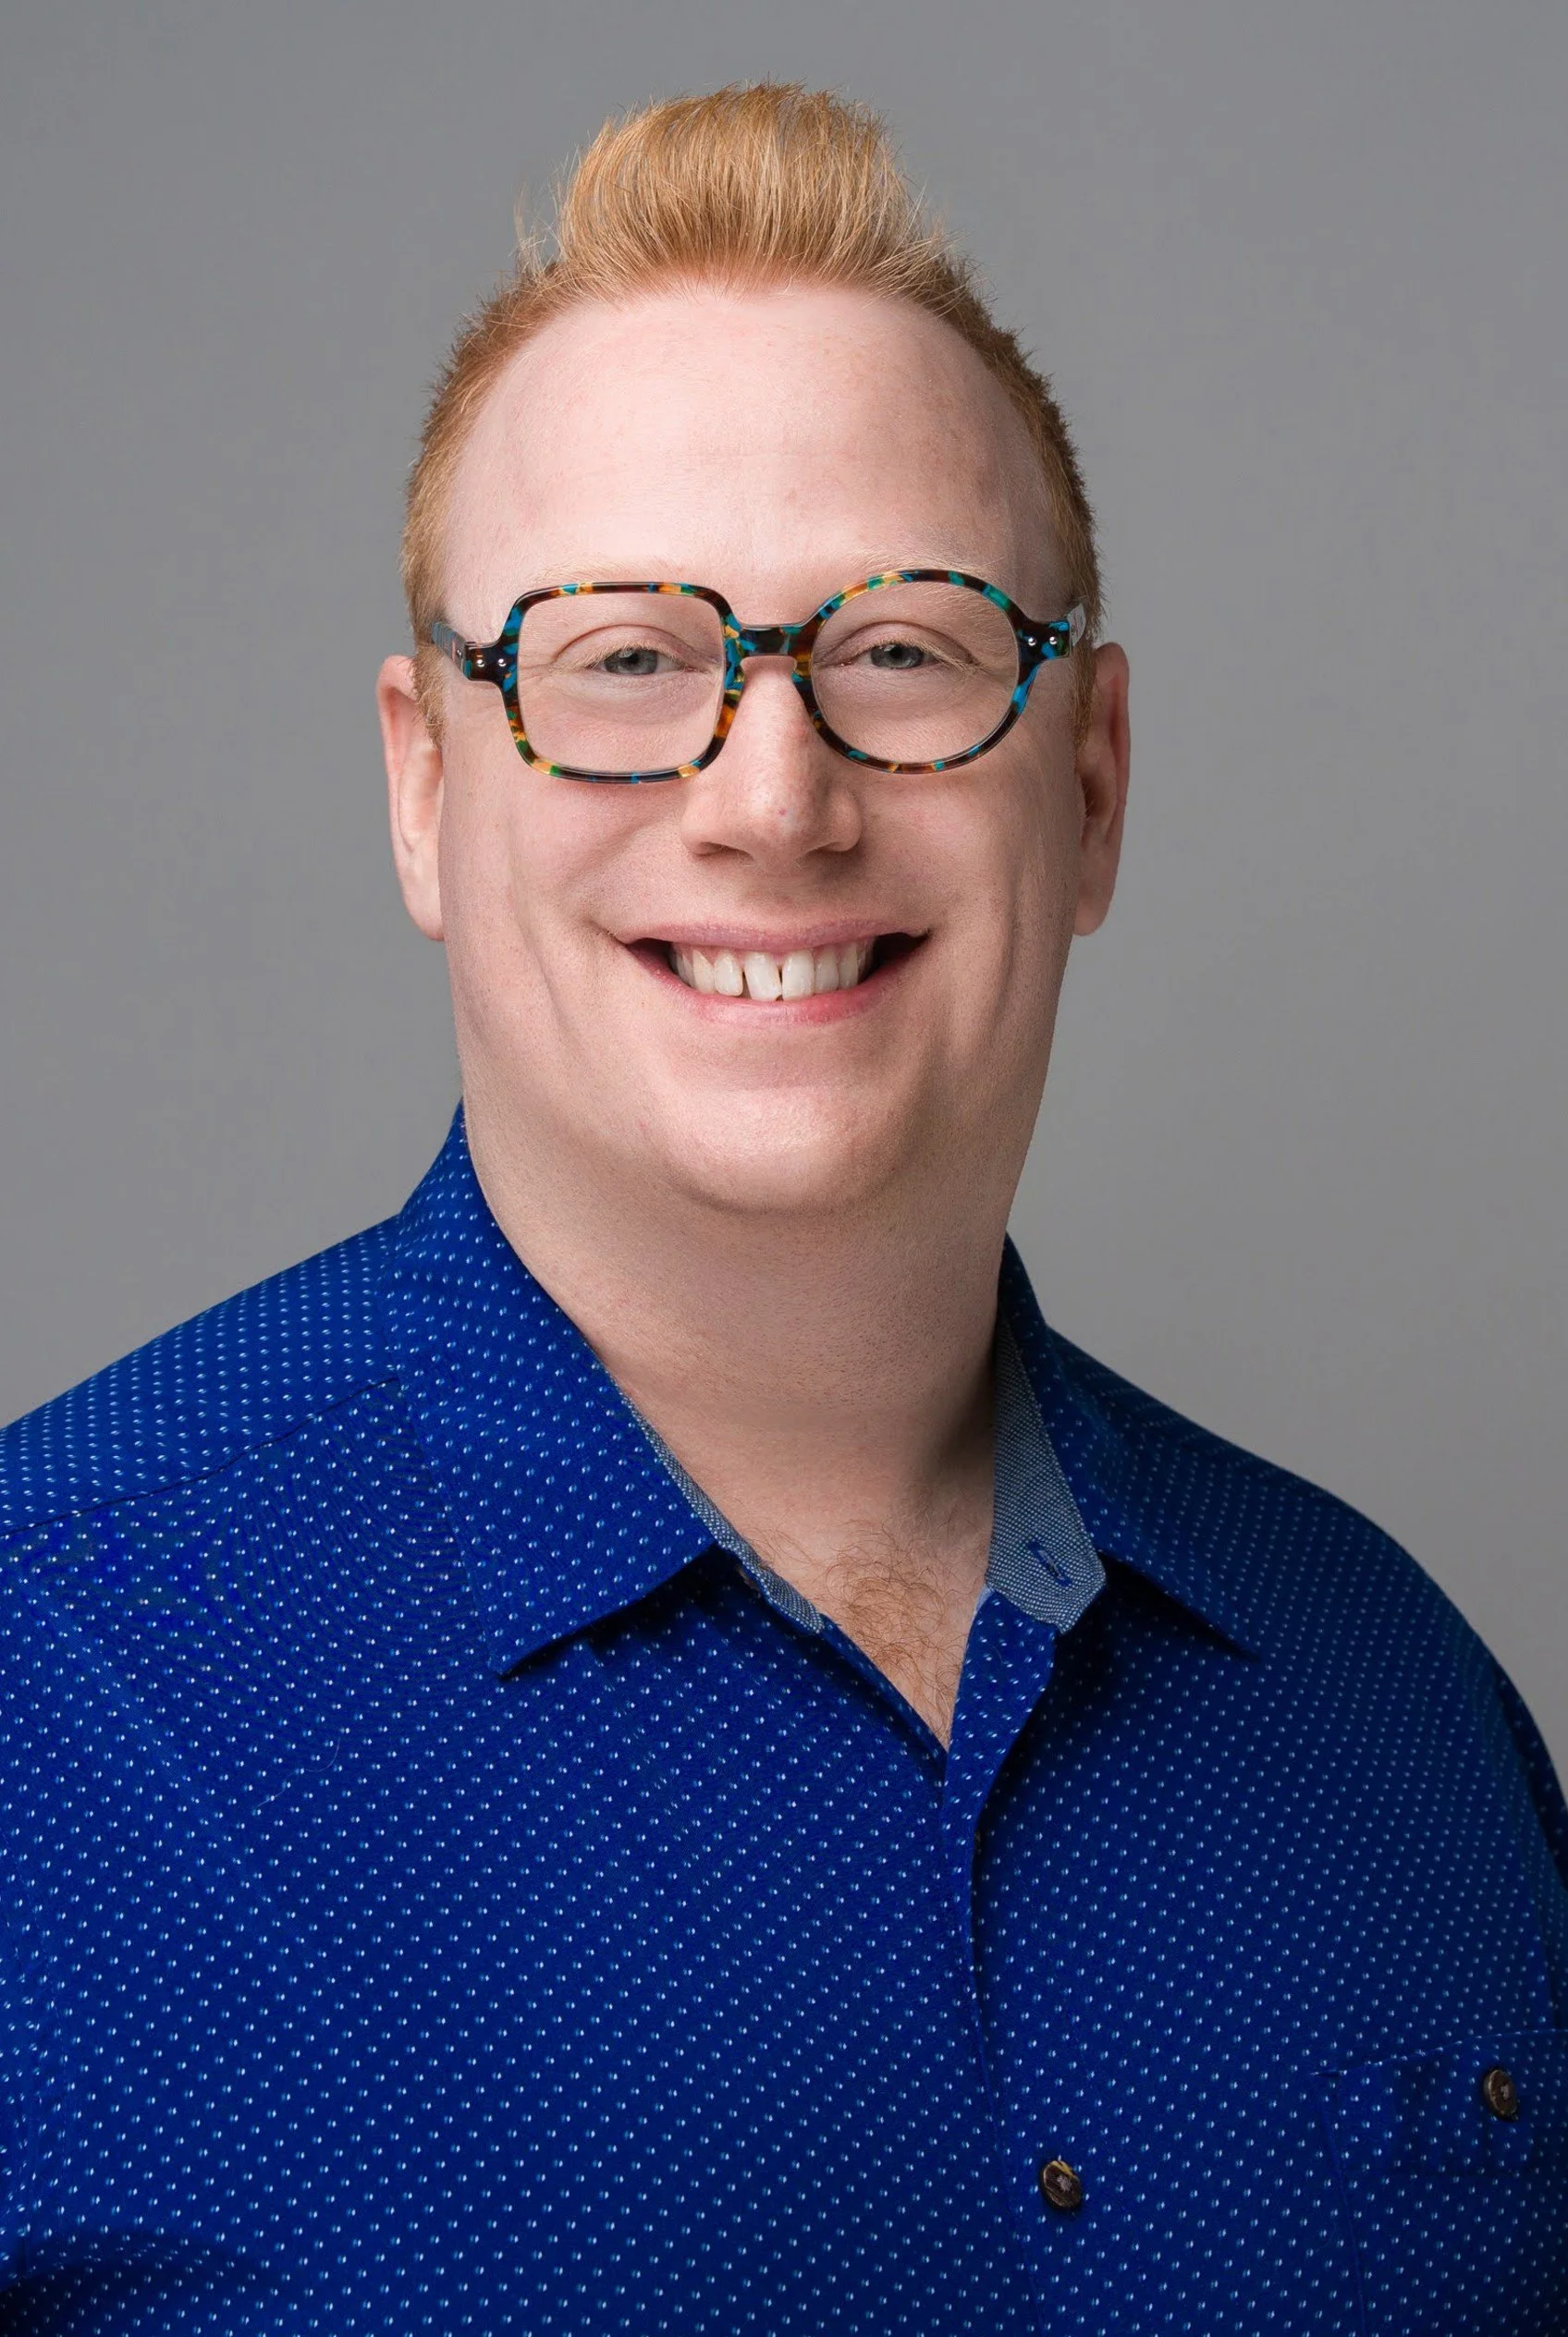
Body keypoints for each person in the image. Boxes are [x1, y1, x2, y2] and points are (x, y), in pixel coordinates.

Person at [1, 80, 1563, 2337]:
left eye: (904, 648)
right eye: (620, 659)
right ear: (425, 792)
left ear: (1090, 787)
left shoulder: (1391, 1698)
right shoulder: (50, 1700)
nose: (770, 797)